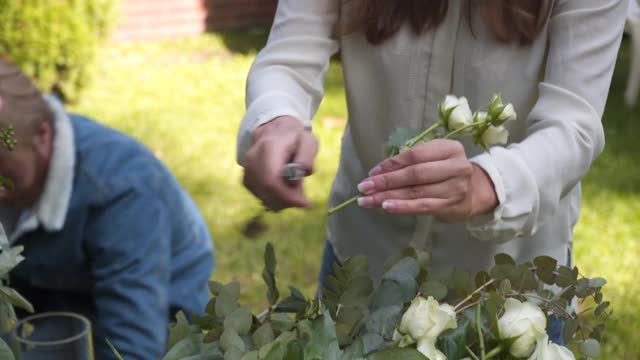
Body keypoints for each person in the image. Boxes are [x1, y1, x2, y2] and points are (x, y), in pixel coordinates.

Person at [238, 0, 628, 347]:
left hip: (507, 299)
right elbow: (290, 56)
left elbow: (574, 124)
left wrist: (489, 184)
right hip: (363, 266)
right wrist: (275, 121)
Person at [0, 60, 214, 359]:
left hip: (159, 311)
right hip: (62, 294)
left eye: (4, 174)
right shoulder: (20, 155)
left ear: (42, 135)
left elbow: (132, 344)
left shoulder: (121, 194)